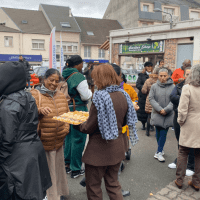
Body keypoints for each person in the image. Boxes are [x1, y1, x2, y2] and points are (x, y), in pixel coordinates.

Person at [74, 63, 138, 200]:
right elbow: (126, 120)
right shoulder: (123, 94)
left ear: (101, 78)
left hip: (98, 151)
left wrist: (76, 124)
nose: (94, 82)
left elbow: (88, 127)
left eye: (95, 78)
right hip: (118, 147)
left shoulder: (100, 97)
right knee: (113, 184)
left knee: (94, 187)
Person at [0, 62, 52, 200]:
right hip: (33, 150)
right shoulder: (27, 96)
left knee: (21, 192)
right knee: (35, 191)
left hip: (17, 157)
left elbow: (7, 137)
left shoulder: (9, 104)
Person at [31, 69, 70, 200]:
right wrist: (39, 111)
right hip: (43, 141)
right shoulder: (35, 94)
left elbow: (67, 114)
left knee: (57, 170)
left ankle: (57, 194)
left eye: (56, 81)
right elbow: (28, 116)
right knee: (46, 172)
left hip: (58, 141)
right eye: (51, 80)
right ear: (44, 79)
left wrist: (65, 129)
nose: (54, 83)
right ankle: (48, 196)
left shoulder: (60, 95)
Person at [62, 55, 92, 179]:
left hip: (65, 107)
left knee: (68, 137)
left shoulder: (63, 74)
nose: (82, 66)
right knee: (78, 138)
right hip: (78, 108)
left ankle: (67, 165)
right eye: (81, 64)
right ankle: (76, 169)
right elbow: (85, 96)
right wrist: (91, 91)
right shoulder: (78, 76)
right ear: (78, 64)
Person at [175, 65, 200, 191]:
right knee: (199, 154)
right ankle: (196, 182)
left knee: (183, 151)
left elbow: (182, 108)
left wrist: (180, 121)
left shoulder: (187, 88)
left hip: (189, 123)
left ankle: (179, 180)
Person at [169, 67, 195, 176]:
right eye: (187, 74)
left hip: (191, 118)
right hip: (178, 116)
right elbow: (172, 97)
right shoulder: (179, 85)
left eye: (190, 74)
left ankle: (191, 165)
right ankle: (179, 160)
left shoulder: (195, 87)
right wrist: (184, 99)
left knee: (192, 142)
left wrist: (184, 98)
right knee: (180, 140)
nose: (188, 76)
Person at [149, 68, 175, 162]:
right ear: (158, 76)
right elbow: (151, 99)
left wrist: (166, 109)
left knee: (164, 132)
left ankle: (159, 152)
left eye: (165, 76)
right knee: (158, 132)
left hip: (168, 114)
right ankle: (161, 149)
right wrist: (160, 109)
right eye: (161, 76)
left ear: (168, 76)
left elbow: (174, 100)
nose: (163, 78)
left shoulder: (173, 87)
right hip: (157, 112)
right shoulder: (154, 86)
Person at [142, 66, 160, 136]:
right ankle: (157, 132)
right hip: (159, 100)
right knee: (158, 116)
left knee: (149, 116)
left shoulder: (148, 80)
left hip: (150, 99)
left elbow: (144, 90)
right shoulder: (160, 80)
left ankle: (147, 131)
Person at [136, 62, 153, 130]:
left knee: (151, 111)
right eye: (148, 66)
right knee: (142, 111)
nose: (149, 68)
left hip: (151, 95)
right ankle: (143, 124)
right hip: (143, 96)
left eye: (150, 66)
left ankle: (151, 125)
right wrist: (145, 88)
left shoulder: (154, 75)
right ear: (145, 67)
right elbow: (138, 84)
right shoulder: (142, 75)